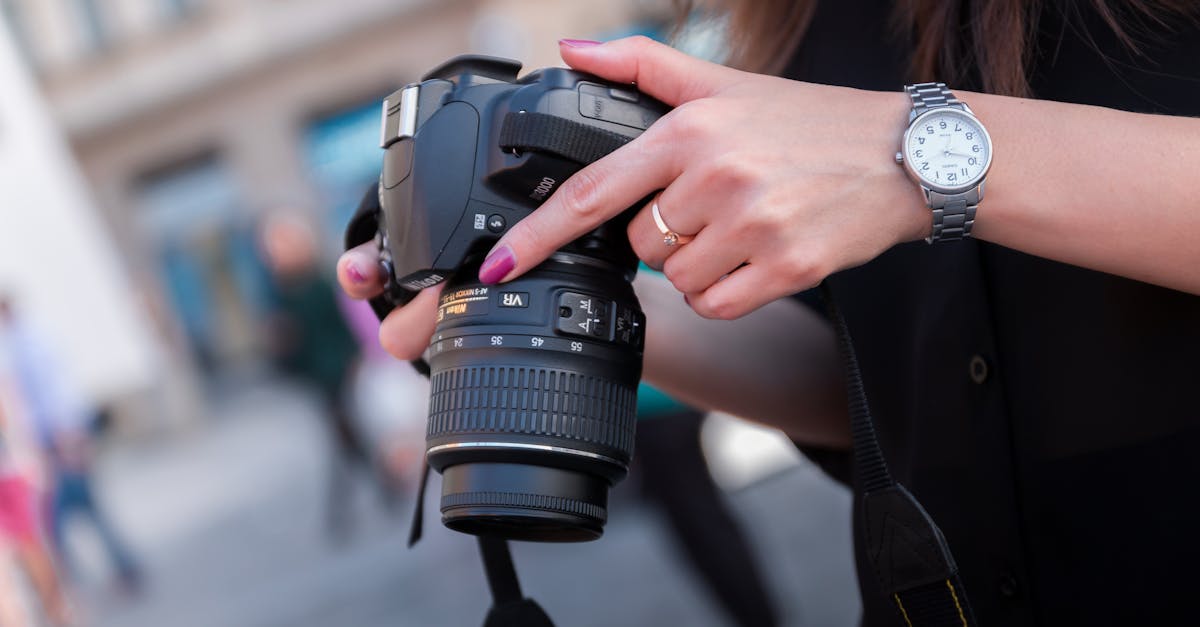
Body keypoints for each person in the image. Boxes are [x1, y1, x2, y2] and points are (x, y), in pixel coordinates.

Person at [336, 3, 1200, 625]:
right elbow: (870, 382)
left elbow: (890, 170)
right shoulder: (789, 19)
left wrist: (912, 157)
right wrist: (570, 289)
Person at [259, 212, 398, 540]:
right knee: (346, 441)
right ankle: (381, 489)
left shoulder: (319, 280)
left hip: (338, 370)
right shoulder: (279, 290)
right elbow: (285, 342)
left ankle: (345, 511)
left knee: (344, 439)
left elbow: (342, 324)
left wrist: (355, 358)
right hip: (317, 377)